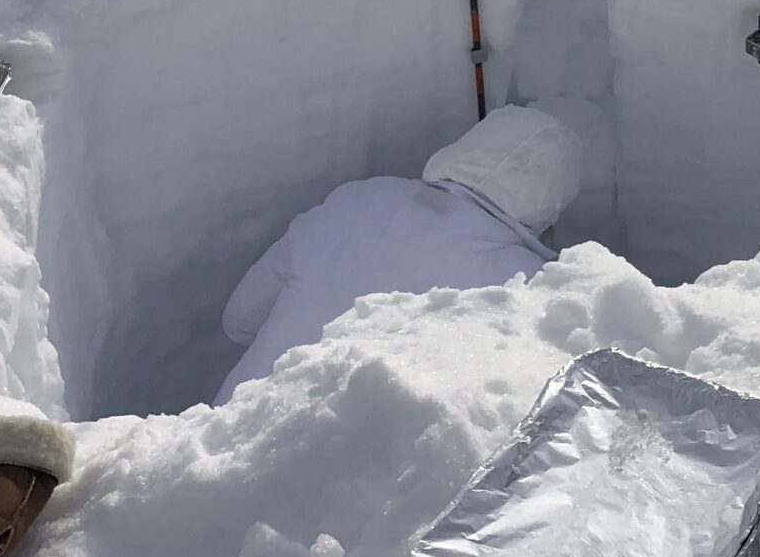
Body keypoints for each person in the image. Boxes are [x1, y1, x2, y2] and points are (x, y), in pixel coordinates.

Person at [217, 105, 584, 402]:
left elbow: (239, 320)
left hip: (212, 444)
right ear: (550, 201)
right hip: (337, 481)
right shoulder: (526, 283)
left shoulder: (354, 200)